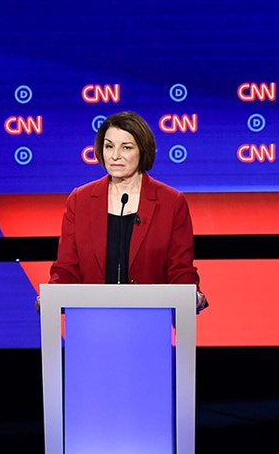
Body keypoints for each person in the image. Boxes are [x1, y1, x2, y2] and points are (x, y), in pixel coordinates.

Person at [45, 111, 207, 311]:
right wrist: (51, 298)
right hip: (90, 322)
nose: (115, 156)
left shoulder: (171, 202)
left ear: (142, 150)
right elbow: (66, 268)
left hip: (150, 320)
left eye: (126, 147)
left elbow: (180, 269)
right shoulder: (80, 200)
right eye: (109, 146)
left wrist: (190, 296)